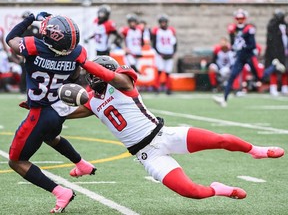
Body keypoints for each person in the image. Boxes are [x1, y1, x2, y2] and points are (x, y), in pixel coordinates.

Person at [66, 55, 284, 201]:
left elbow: (107, 76)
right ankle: (220, 189)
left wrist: (82, 59)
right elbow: (63, 116)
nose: (92, 77)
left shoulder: (123, 83)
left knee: (220, 140)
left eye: (96, 73)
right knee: (192, 192)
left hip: (164, 135)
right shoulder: (91, 101)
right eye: (91, 73)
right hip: (147, 155)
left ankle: (257, 150)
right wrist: (34, 105)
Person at [6, 12, 96, 213]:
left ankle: (60, 192)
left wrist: (30, 19)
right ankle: (82, 164)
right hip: (58, 109)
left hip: (40, 113)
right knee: (51, 137)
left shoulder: (34, 46)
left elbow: (10, 38)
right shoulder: (78, 53)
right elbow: (74, 76)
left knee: (16, 161)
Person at [213, 9, 261, 107]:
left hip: (249, 56)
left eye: (241, 18)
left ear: (245, 19)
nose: (240, 20)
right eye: (238, 18)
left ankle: (274, 66)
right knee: (232, 76)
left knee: (260, 77)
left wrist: (242, 47)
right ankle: (224, 99)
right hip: (240, 57)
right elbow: (233, 43)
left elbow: (253, 45)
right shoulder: (233, 29)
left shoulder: (249, 29)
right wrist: (235, 48)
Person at [262, 9, 288, 96]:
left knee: (285, 69)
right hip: (274, 51)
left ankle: (285, 88)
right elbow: (271, 40)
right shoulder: (272, 25)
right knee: (274, 68)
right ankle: (273, 87)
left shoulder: (285, 25)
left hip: (285, 51)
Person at [151, 14, 177, 95]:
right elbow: (154, 43)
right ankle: (156, 88)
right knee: (159, 71)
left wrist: (174, 52)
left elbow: (175, 43)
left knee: (168, 72)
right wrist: (159, 53)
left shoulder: (171, 30)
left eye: (164, 22)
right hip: (160, 54)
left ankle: (168, 89)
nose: (163, 23)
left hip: (169, 53)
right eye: (161, 22)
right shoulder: (157, 31)